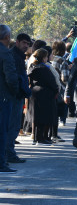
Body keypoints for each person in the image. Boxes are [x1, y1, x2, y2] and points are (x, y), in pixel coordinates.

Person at [7, 34, 31, 164]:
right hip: (14, 96)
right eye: (24, 43)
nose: (26, 46)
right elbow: (14, 78)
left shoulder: (18, 56)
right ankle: (9, 154)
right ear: (17, 42)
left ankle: (9, 153)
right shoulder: (14, 56)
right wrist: (19, 91)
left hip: (17, 95)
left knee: (14, 126)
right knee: (12, 126)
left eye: (28, 43)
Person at [28, 48, 59, 145]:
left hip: (35, 93)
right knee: (45, 116)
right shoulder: (44, 68)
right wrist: (56, 89)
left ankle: (38, 137)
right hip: (45, 93)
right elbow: (51, 81)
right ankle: (41, 138)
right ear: (43, 57)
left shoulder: (32, 67)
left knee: (37, 117)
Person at [0, 25, 19, 173]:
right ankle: (1, 163)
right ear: (7, 37)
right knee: (2, 130)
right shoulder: (5, 53)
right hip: (4, 97)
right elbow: (11, 77)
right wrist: (14, 91)